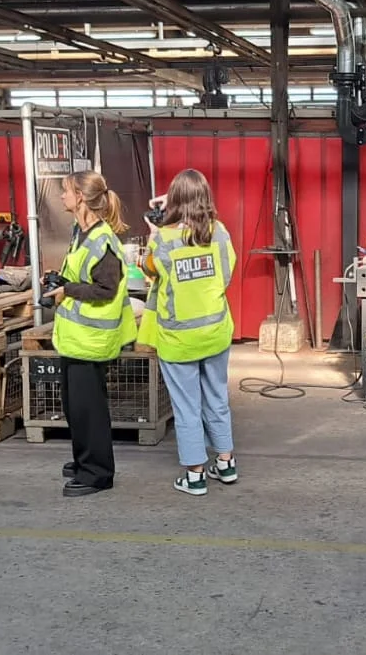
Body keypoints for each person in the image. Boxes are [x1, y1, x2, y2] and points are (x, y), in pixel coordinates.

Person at [141, 169, 239, 496]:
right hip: (215, 331)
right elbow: (226, 274)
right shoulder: (219, 232)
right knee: (217, 398)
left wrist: (155, 233)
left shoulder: (164, 239)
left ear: (174, 199)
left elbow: (148, 269)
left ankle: (195, 475)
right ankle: (225, 462)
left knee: (186, 407)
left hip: (179, 338)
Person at [42, 170, 138, 498]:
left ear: (81, 197)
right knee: (75, 406)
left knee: (89, 409)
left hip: (92, 339)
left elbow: (106, 289)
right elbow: (81, 275)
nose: (62, 196)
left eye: (67, 190)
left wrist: (67, 290)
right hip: (75, 337)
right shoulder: (80, 232)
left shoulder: (103, 241)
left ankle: (97, 473)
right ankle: (84, 458)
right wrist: (60, 281)